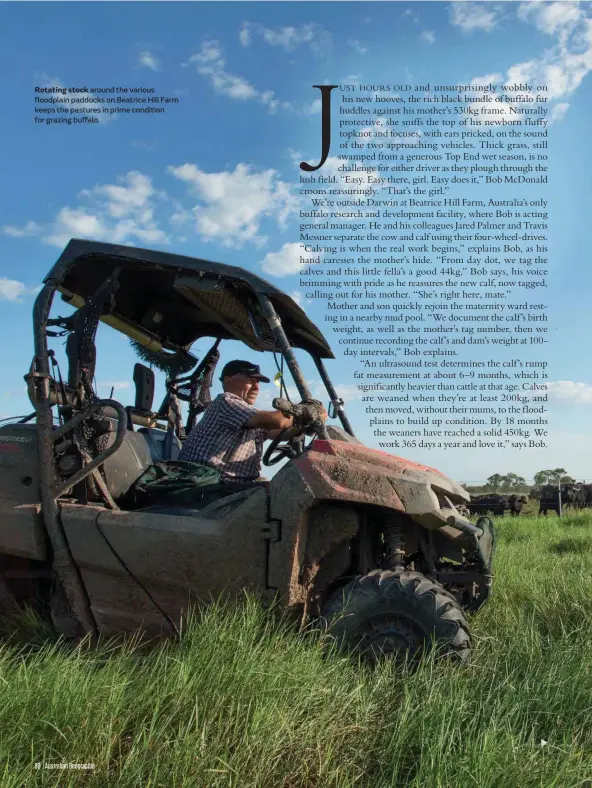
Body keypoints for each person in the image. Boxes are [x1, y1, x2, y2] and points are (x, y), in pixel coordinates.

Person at [178, 359, 326, 485]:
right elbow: (278, 422)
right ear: (228, 380)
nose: (256, 387)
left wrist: (306, 424)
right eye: (250, 381)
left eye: (258, 382)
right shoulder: (225, 401)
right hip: (210, 484)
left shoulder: (248, 416)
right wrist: (306, 412)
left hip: (232, 483)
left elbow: (281, 432)